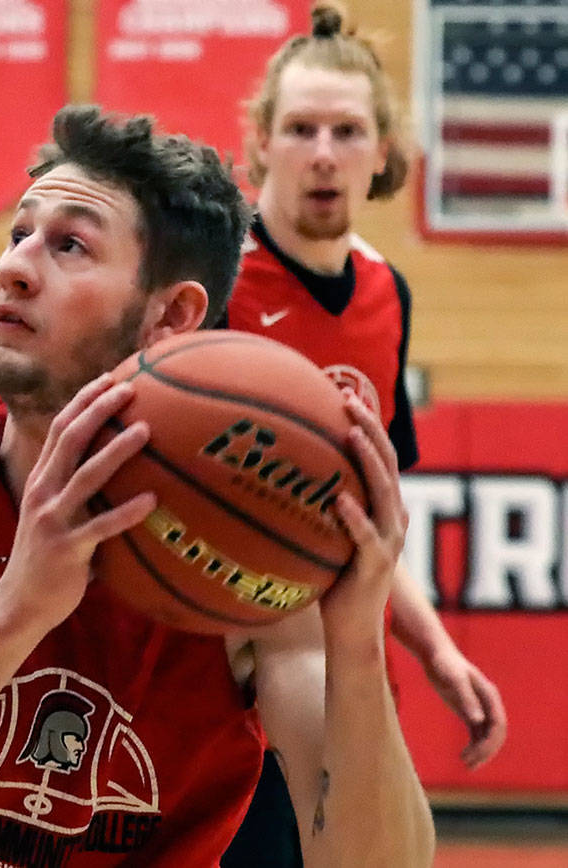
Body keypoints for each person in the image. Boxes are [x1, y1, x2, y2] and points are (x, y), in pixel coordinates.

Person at [0, 105, 436, 867]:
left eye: (69, 244)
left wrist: (356, 641)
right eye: (20, 235)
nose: (13, 266)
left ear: (170, 315)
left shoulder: (246, 545)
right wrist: (15, 612)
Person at [221, 5, 508, 864]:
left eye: (347, 131)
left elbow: (367, 527)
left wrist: (438, 650)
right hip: (220, 678)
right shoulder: (214, 278)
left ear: (381, 152)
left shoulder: (389, 296)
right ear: (262, 141)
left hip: (335, 668)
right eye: (300, 127)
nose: (323, 152)